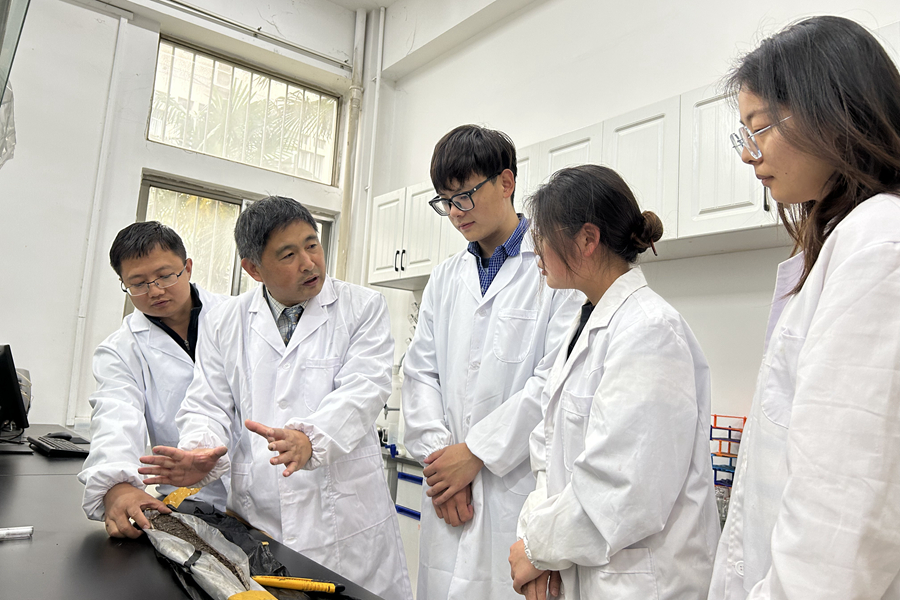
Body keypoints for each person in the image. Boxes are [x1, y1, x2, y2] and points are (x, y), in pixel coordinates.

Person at [709, 16, 900, 599]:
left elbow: (837, 529)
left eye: (760, 128)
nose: (750, 156)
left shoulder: (879, 244)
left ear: (833, 110)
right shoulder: (849, 240)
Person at [138, 197, 413, 600]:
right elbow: (207, 402)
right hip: (261, 517)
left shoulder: (361, 307)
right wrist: (200, 450)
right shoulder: (225, 321)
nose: (309, 262)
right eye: (288, 254)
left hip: (347, 521)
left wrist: (312, 438)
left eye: (312, 245)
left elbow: (365, 387)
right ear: (253, 269)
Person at [509, 165, 721, 599]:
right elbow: (547, 452)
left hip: (641, 582)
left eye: (542, 238)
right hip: (583, 566)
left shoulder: (649, 329)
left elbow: (626, 487)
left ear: (587, 239)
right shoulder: (585, 323)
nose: (537, 252)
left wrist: (537, 549)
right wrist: (538, 548)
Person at [402, 124, 583, 599]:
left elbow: (554, 380)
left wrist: (476, 453)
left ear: (506, 182)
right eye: (445, 201)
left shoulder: (554, 268)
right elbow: (420, 373)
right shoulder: (445, 278)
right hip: (448, 495)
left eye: (464, 195)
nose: (455, 212)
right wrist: (444, 466)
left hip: (514, 490)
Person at [78, 221, 228, 539]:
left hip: (269, 491)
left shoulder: (237, 318)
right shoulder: (121, 349)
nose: (155, 291)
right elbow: (115, 415)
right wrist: (118, 487)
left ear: (187, 268)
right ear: (124, 284)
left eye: (165, 276)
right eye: (138, 283)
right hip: (193, 500)